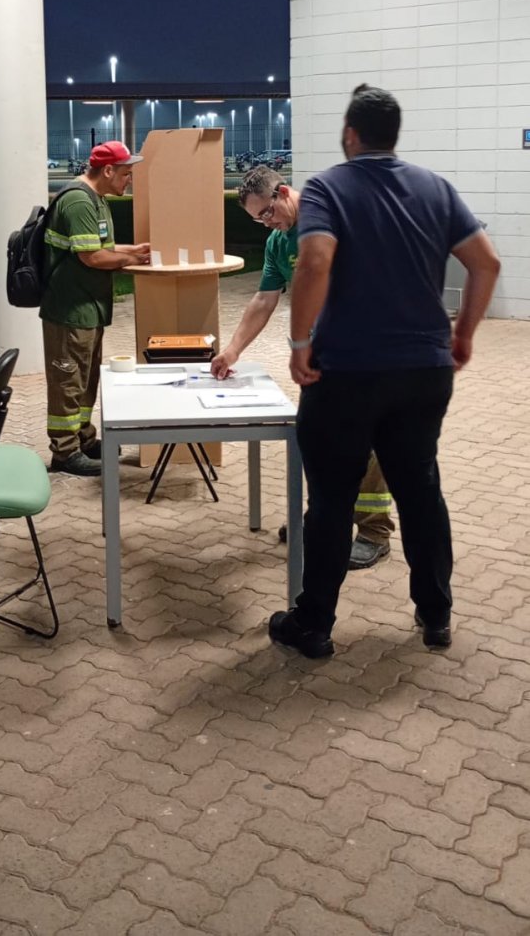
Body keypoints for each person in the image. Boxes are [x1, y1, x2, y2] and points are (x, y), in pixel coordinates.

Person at [270, 85, 500, 658]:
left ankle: (314, 625)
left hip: (345, 375)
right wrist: (463, 334)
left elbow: (315, 261)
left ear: (350, 134)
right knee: (420, 491)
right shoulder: (436, 188)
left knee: (331, 500)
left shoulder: (328, 187)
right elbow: (487, 263)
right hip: (424, 372)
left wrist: (300, 344)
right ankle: (436, 615)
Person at [212, 165, 395, 569]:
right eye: (258, 219)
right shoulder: (279, 242)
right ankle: (325, 521)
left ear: (282, 193)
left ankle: (373, 532)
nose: (266, 223)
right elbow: (264, 299)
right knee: (319, 441)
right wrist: (232, 351)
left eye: (266, 213)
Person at [40, 141, 150, 476]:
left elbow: (102, 246)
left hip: (88, 308)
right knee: (68, 380)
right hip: (70, 309)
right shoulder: (77, 201)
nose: (129, 180)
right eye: (126, 174)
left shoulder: (96, 199)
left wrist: (134, 250)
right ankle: (64, 452)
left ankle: (84, 439)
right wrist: (132, 259)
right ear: (108, 170)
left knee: (86, 379)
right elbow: (93, 257)